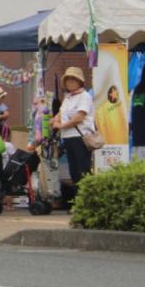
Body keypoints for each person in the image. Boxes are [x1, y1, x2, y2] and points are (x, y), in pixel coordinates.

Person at [51, 66, 95, 198]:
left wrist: (61, 125)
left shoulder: (84, 96)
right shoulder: (68, 97)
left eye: (73, 80)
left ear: (80, 81)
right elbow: (61, 112)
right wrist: (54, 120)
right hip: (68, 138)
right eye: (68, 80)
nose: (70, 82)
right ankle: (78, 201)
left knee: (83, 170)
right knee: (73, 172)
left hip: (80, 138)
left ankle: (87, 201)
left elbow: (79, 117)